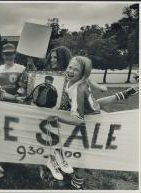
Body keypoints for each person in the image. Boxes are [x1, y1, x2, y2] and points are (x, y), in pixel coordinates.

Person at [47, 56, 138, 189]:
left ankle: (77, 185)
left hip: (91, 118)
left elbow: (78, 120)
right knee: (98, 103)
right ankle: (125, 93)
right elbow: (92, 84)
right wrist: (101, 88)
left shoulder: (77, 90)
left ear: (82, 75)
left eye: (76, 70)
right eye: (70, 67)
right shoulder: (79, 80)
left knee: (83, 153)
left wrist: (58, 118)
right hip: (91, 106)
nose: (71, 71)